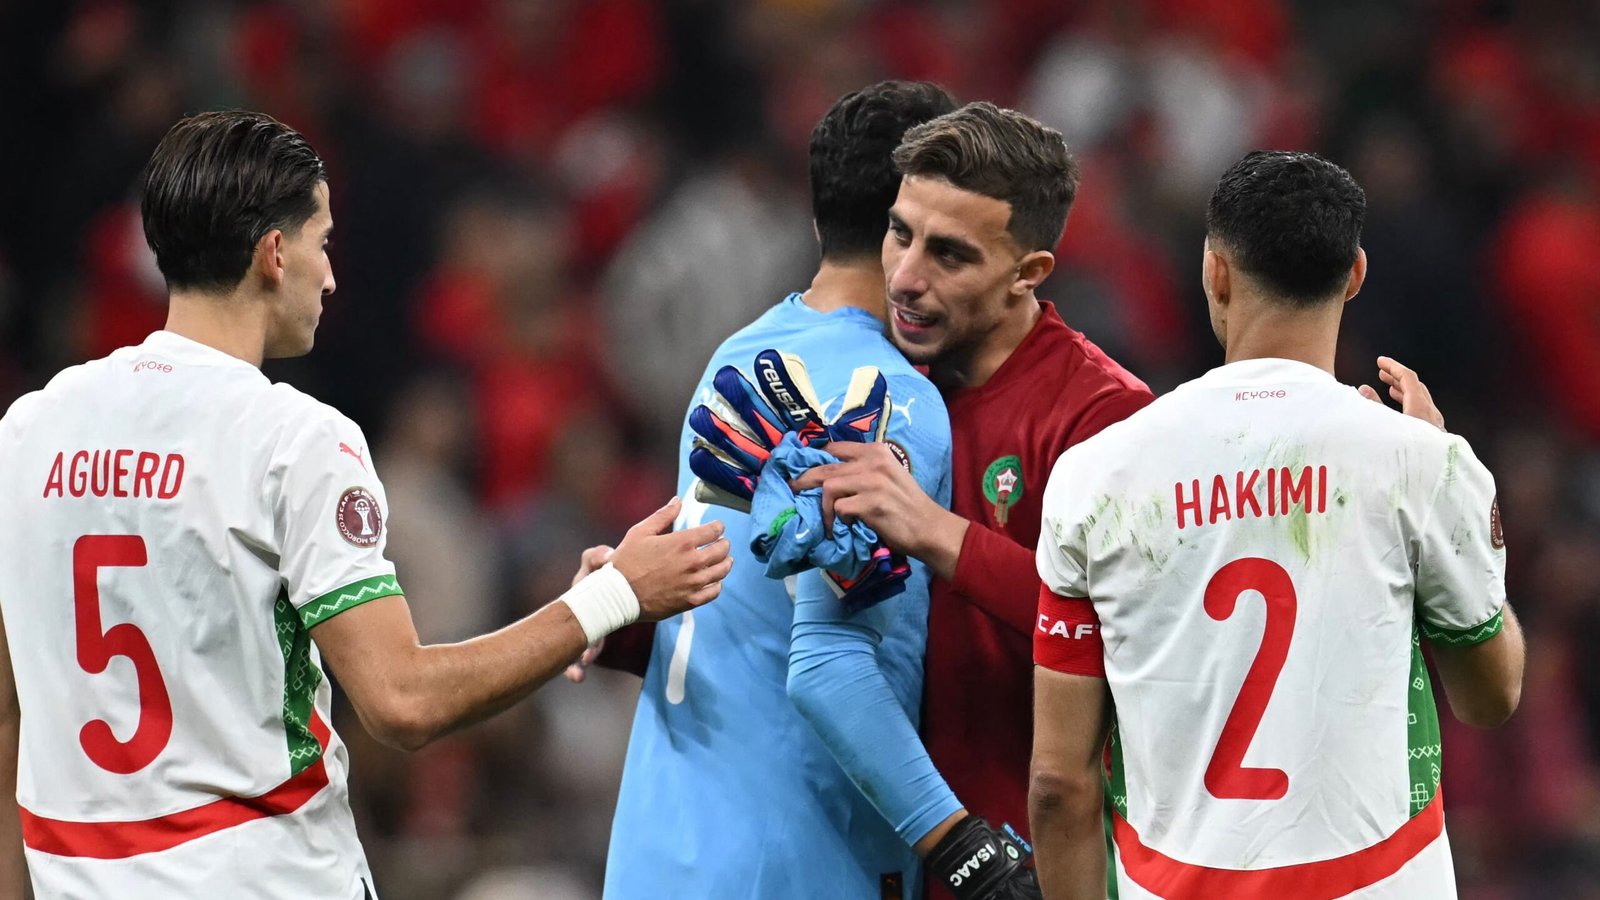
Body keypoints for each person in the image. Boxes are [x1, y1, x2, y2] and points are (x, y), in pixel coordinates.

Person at [0, 110, 731, 899]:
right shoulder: (292, 439)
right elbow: (401, 701)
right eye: (324, 242)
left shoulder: (30, 428)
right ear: (274, 254)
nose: (332, 276)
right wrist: (614, 595)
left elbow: (12, 712)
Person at [1028, 150, 1524, 899]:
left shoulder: (1097, 477)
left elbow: (1060, 786)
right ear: (1355, 274)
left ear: (1214, 272)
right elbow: (1490, 698)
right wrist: (1440, 473)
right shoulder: (1421, 464)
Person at [591, 82, 1039, 900]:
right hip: (792, 863)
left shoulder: (738, 353)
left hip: (658, 851)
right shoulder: (889, 398)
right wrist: (963, 846)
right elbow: (828, 667)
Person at [791, 102, 1155, 882]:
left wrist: (937, 532)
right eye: (900, 233)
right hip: (898, 854)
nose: (907, 278)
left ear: (1029, 273)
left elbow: (1138, 627)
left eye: (950, 255)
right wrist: (638, 614)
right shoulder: (882, 381)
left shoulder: (1103, 416)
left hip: (1039, 868)